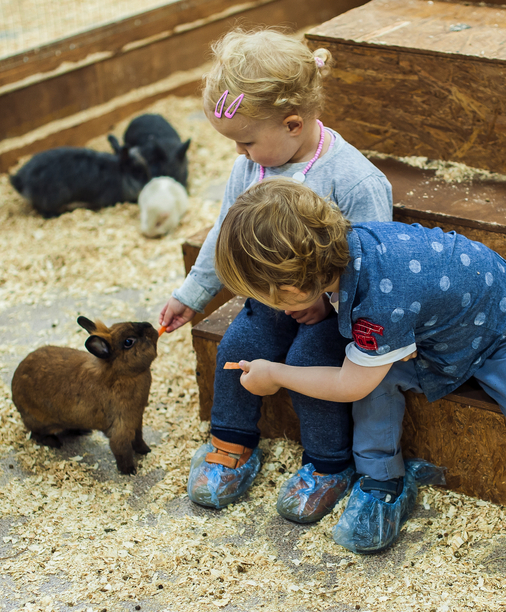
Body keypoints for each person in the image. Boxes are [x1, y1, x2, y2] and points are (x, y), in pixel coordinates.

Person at [214, 179, 506, 553]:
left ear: (292, 286)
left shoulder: (378, 302)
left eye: (271, 299)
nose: (273, 309)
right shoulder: (348, 248)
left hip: (499, 327)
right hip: (434, 337)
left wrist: (276, 375)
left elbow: (348, 385)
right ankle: (383, 480)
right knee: (378, 379)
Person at [158, 28, 393, 523]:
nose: (239, 153)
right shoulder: (251, 169)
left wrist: (327, 305)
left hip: (337, 308)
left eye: (245, 141)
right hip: (271, 295)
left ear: (292, 124)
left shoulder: (355, 181)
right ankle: (231, 443)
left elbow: (376, 264)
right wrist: (192, 295)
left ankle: (328, 464)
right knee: (239, 343)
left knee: (310, 356)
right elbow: (225, 233)